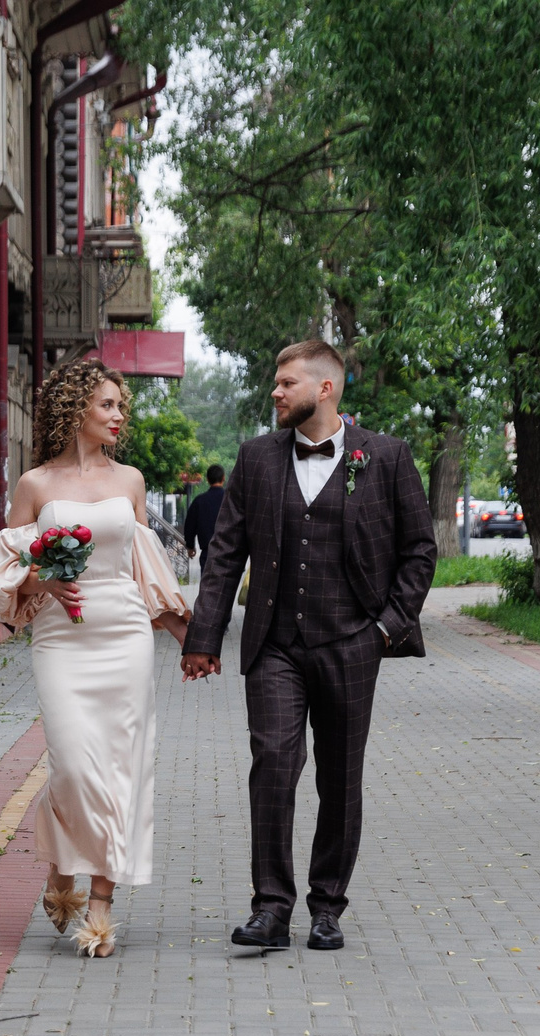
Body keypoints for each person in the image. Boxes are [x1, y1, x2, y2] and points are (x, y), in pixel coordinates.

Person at [180, 338, 437, 952]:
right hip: (276, 644)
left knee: (340, 779)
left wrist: (384, 631)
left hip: (353, 643)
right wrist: (203, 637)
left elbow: (420, 551)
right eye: (276, 382)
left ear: (325, 388)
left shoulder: (388, 457)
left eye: (287, 382)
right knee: (273, 765)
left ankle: (327, 907)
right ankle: (271, 907)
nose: (276, 392)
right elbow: (224, 556)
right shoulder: (257, 459)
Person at [0, 359, 192, 957]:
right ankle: (59, 864)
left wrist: (185, 634)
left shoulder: (130, 482)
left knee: (122, 768)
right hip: (60, 639)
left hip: (124, 634)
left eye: (121, 406)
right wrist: (41, 583)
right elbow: (5, 572)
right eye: (109, 405)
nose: (119, 415)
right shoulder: (35, 486)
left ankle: (99, 901)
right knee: (73, 767)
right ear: (77, 409)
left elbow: (144, 569)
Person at [182, 464, 227, 560]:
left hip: (208, 554)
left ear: (207, 479)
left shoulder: (199, 501)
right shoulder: (231, 500)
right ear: (223, 478)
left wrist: (190, 546)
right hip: (229, 554)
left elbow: (190, 525)